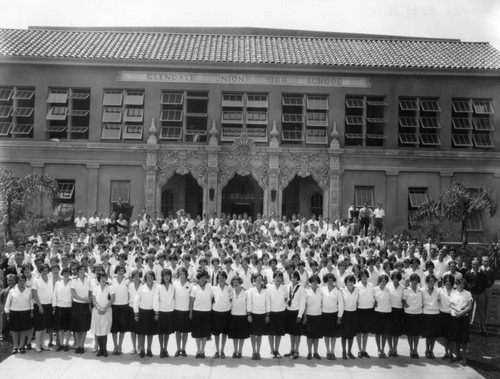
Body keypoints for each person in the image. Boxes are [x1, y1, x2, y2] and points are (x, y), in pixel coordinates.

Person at [5, 274, 33, 354]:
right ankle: (15, 346)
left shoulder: (28, 290)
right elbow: (7, 303)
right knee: (14, 331)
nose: (22, 282)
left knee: (23, 330)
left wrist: (31, 311)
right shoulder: (12, 290)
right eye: (20, 280)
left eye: (24, 280)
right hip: (14, 312)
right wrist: (7, 313)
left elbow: (30, 301)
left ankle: (21, 346)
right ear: (17, 281)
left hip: (26, 312)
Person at [134, 270, 159, 358]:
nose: (150, 279)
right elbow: (136, 301)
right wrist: (136, 313)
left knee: (150, 333)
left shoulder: (156, 287)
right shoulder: (141, 288)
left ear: (153, 278)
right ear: (145, 278)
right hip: (142, 312)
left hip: (151, 312)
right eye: (148, 277)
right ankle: (142, 349)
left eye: (151, 277)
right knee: (141, 333)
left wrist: (156, 313)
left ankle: (149, 349)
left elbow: (156, 301)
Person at [450, 276, 473, 365]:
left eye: (463, 283)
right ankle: (457, 356)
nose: (462, 285)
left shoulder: (468, 293)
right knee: (457, 338)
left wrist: (461, 313)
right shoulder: (453, 293)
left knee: (464, 339)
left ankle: (464, 358)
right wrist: (458, 311)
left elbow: (469, 307)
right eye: (460, 283)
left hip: (464, 318)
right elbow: (451, 304)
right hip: (456, 317)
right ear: (457, 284)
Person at [189, 269, 212, 358]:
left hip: (207, 312)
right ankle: (198, 350)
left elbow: (213, 298)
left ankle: (203, 350)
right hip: (197, 312)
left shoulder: (209, 286)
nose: (203, 279)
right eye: (201, 277)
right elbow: (191, 301)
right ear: (198, 278)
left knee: (205, 334)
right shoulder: (194, 287)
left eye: (205, 277)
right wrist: (190, 313)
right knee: (197, 333)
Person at [247, 272, 270, 360]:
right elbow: (249, 303)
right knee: (253, 334)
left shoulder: (266, 291)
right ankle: (253, 352)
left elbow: (268, 303)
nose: (259, 281)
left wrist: (267, 314)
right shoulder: (251, 291)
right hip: (253, 314)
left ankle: (258, 352)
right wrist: (249, 314)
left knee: (259, 335)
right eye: (257, 280)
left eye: (261, 280)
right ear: (254, 280)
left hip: (262, 315)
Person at [91, 271, 114, 357]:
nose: (103, 280)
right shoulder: (95, 288)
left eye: (104, 278)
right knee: (98, 331)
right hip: (97, 311)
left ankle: (104, 350)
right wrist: (99, 309)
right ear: (98, 279)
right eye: (101, 278)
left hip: (106, 311)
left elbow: (112, 299)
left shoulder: (110, 288)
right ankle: (100, 349)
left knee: (104, 331)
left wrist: (104, 309)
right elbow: (94, 300)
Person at [284, 271, 306, 360]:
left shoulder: (301, 289)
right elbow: (286, 298)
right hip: (289, 311)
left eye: (295, 277)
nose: (293, 279)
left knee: (297, 333)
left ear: (298, 278)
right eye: (291, 277)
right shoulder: (288, 286)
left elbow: (303, 303)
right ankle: (292, 350)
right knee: (291, 333)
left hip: (297, 312)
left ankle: (297, 351)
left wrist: (300, 315)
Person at [32, 263, 54, 352]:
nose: (45, 272)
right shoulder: (36, 280)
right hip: (39, 305)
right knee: (38, 327)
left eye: (46, 271)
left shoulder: (50, 279)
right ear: (40, 271)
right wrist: (40, 305)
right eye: (43, 271)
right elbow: (34, 294)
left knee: (44, 326)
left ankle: (42, 344)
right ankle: (37, 345)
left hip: (48, 305)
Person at [321, 273, 343, 360]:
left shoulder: (338, 291)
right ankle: (327, 352)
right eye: (328, 280)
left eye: (332, 280)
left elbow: (341, 305)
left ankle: (332, 352)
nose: (330, 282)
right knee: (326, 335)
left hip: (334, 315)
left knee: (333, 335)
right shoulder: (322, 289)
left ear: (334, 280)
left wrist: (339, 317)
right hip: (325, 314)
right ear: (326, 281)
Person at [267, 270, 288, 358]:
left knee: (279, 333)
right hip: (271, 312)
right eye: (277, 277)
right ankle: (272, 350)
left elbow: (286, 299)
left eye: (280, 277)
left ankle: (277, 350)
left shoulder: (284, 287)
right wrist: (267, 313)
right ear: (274, 278)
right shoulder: (268, 286)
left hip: (281, 312)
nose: (278, 279)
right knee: (271, 333)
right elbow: (267, 300)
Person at [71, 264, 92, 354]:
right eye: (80, 269)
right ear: (78, 270)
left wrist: (89, 300)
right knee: (76, 327)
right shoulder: (74, 280)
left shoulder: (88, 279)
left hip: (85, 306)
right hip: (77, 305)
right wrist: (84, 299)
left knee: (84, 327)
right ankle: (77, 345)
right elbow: (73, 294)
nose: (82, 271)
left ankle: (82, 345)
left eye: (84, 269)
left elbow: (90, 292)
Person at [464, 258, 488, 336]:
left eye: (476, 264)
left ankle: (482, 329)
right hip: (471, 294)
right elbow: (465, 283)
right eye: (473, 264)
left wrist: (480, 289)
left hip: (480, 294)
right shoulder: (468, 273)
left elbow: (485, 284)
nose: (475, 265)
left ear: (478, 265)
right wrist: (469, 287)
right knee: (468, 311)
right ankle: (467, 328)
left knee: (481, 312)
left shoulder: (483, 273)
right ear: (471, 265)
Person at [211, 270, 232, 358]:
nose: (221, 279)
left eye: (223, 278)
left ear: (225, 278)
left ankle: (222, 350)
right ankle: (217, 350)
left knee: (224, 333)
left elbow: (231, 300)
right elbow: (211, 299)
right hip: (216, 312)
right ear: (217, 279)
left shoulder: (229, 288)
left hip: (226, 313)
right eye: (219, 278)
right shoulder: (214, 288)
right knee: (216, 333)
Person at [228, 276, 249, 358]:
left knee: (241, 335)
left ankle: (240, 351)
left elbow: (248, 304)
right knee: (234, 335)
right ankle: (235, 350)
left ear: (240, 282)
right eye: (234, 283)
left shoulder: (245, 292)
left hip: (243, 315)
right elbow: (229, 303)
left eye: (237, 282)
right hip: (234, 315)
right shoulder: (231, 292)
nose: (235, 284)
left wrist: (248, 314)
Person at [52, 267, 73, 351]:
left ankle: (67, 344)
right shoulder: (58, 283)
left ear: (69, 274)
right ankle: (61, 344)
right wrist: (54, 307)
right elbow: (54, 295)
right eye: (64, 273)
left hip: (69, 307)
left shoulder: (72, 283)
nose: (66, 274)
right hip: (59, 307)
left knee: (68, 328)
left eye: (67, 273)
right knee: (60, 328)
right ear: (62, 274)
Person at [110, 265, 129, 355]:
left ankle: (120, 346)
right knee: (114, 329)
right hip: (114, 307)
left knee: (122, 328)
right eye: (119, 270)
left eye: (122, 270)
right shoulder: (112, 281)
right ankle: (115, 346)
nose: (121, 272)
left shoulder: (127, 281)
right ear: (116, 271)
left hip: (124, 307)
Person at [403, 273, 423, 359]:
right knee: (410, 334)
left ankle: (416, 349)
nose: (415, 281)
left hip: (418, 313)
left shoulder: (420, 290)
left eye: (417, 280)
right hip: (409, 314)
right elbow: (403, 300)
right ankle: (411, 349)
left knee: (416, 334)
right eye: (413, 280)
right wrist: (405, 304)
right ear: (410, 281)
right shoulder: (406, 290)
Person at [355, 269, 374, 358]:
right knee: (359, 331)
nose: (364, 277)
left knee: (366, 332)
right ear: (360, 277)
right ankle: (359, 350)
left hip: (369, 310)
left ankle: (364, 350)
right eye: (362, 276)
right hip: (359, 310)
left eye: (365, 275)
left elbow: (373, 296)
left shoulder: (371, 285)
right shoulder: (357, 286)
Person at [173, 267, 192, 357]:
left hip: (186, 311)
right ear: (178, 275)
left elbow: (192, 299)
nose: (182, 275)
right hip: (177, 310)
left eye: (183, 274)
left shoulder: (190, 285)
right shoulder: (175, 283)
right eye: (180, 274)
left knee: (184, 332)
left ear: (186, 275)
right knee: (178, 331)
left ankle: (183, 349)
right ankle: (178, 348)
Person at [304, 274, 323, 360]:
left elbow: (323, 303)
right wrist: (304, 317)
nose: (315, 283)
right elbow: (304, 305)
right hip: (309, 315)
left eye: (316, 282)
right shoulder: (306, 291)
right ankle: (309, 352)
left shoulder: (321, 291)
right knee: (309, 336)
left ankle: (316, 352)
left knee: (316, 336)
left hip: (318, 315)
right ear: (310, 282)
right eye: (313, 282)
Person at [421, 274, 440, 359]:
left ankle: (431, 350)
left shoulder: (437, 290)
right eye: (431, 281)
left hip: (435, 314)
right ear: (427, 281)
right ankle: (426, 350)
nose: (432, 282)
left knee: (434, 335)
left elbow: (439, 301)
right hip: (426, 314)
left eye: (434, 281)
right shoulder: (422, 290)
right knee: (428, 335)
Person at [158, 268, 175, 358]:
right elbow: (156, 300)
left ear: (170, 276)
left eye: (168, 275)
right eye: (165, 275)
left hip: (169, 312)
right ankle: (161, 349)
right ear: (162, 277)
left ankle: (165, 348)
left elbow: (174, 299)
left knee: (167, 333)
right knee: (161, 332)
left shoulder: (173, 287)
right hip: (161, 312)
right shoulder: (158, 287)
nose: (166, 277)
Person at [373, 274, 391, 358]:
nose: (384, 282)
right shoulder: (374, 289)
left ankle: (383, 349)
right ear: (379, 281)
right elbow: (372, 299)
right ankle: (378, 349)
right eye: (382, 281)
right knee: (378, 333)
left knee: (384, 333)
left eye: (385, 281)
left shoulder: (388, 289)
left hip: (387, 312)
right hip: (377, 313)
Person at [341, 274, 358, 360]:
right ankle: (343, 352)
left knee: (351, 335)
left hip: (354, 314)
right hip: (345, 314)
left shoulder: (357, 290)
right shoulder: (342, 290)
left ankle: (349, 352)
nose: (350, 283)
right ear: (346, 283)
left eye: (352, 281)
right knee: (344, 335)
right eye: (348, 281)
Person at [387, 271, 404, 357]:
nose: (395, 280)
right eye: (394, 278)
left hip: (398, 311)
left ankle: (395, 348)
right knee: (389, 331)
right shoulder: (388, 285)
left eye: (397, 278)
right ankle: (390, 348)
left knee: (396, 332)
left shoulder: (403, 287)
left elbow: (404, 300)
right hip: (389, 310)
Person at [438, 274, 454, 360]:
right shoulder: (440, 290)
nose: (448, 283)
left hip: (452, 315)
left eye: (449, 281)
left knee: (451, 336)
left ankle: (451, 353)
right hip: (443, 315)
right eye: (446, 281)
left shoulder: (455, 292)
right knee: (445, 336)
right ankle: (446, 353)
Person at [128, 269, 142, 354]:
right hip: (131, 309)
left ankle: (139, 347)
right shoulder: (129, 285)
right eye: (135, 276)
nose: (136, 278)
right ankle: (134, 347)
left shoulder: (143, 286)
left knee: (139, 330)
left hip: (140, 309)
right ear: (132, 278)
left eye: (138, 276)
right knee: (132, 330)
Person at [0, 274, 17, 342]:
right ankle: (4, 334)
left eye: (12, 280)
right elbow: (2, 301)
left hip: (15, 309)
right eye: (8, 280)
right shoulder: (4, 291)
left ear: (15, 281)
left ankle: (16, 333)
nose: (10, 282)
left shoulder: (17, 290)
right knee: (4, 316)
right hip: (7, 310)